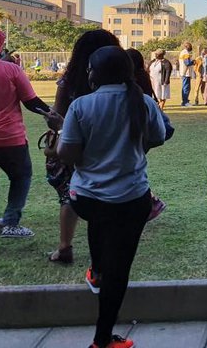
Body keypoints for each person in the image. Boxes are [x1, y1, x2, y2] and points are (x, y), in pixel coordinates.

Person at [57, 45, 167, 348]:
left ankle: (97, 272)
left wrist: (62, 138)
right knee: (119, 271)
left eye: (91, 69)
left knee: (100, 225)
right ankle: (102, 339)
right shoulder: (143, 102)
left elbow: (67, 154)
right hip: (131, 199)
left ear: (97, 73)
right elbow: (158, 137)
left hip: (87, 198)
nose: (88, 73)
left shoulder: (81, 106)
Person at [0, 26, 60, 257]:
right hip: (11, 140)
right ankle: (11, 223)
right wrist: (50, 113)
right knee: (21, 177)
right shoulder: (11, 69)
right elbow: (31, 101)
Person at [44, 29, 122, 264]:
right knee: (109, 195)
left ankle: (65, 246)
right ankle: (108, 248)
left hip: (72, 145)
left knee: (70, 196)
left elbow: (58, 115)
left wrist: (57, 129)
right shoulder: (120, 83)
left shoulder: (69, 81)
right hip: (107, 147)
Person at [126, 48, 172, 223]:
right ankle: (150, 202)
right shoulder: (142, 75)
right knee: (132, 169)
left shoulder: (136, 79)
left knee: (132, 170)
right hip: (141, 132)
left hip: (139, 130)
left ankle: (152, 202)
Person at [178, 42, 196, 107]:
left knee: (185, 87)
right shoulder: (185, 53)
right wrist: (193, 62)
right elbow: (187, 63)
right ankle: (185, 101)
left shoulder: (183, 52)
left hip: (184, 72)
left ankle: (185, 101)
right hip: (186, 73)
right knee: (186, 87)